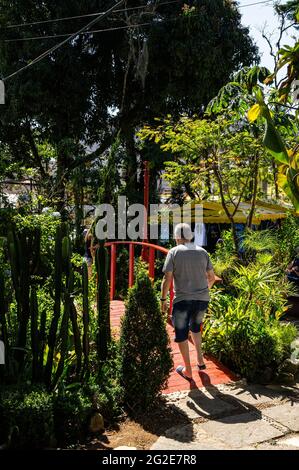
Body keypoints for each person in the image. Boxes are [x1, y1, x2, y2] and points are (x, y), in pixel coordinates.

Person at [161, 223, 215, 381]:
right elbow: (211, 277)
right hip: (202, 299)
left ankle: (188, 371)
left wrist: (163, 299)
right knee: (196, 327)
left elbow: (167, 278)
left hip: (183, 300)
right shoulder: (203, 251)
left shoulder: (174, 252)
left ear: (177, 237)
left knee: (182, 334)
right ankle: (200, 360)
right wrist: (204, 290)